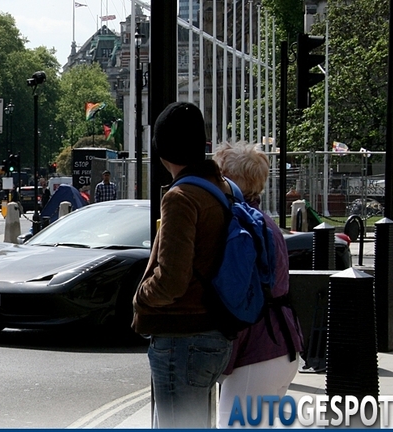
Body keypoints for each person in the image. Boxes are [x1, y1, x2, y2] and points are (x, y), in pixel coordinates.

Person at [132, 102, 233, 428]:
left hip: (182, 338)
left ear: (162, 148)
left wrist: (141, 296)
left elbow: (172, 280)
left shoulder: (181, 197)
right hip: (215, 334)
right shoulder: (221, 188)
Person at [213, 141, 304, 429]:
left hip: (257, 353)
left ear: (228, 179)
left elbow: (236, 295)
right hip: (280, 346)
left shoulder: (240, 225)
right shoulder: (263, 222)